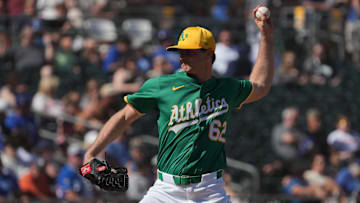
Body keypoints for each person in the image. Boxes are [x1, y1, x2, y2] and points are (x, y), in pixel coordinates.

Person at [83, 5, 274, 203]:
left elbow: (260, 85)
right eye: (181, 51)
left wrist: (266, 37)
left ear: (208, 55)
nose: (182, 56)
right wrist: (92, 151)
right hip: (166, 189)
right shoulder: (162, 85)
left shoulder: (225, 88)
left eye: (190, 52)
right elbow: (123, 116)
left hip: (210, 191)